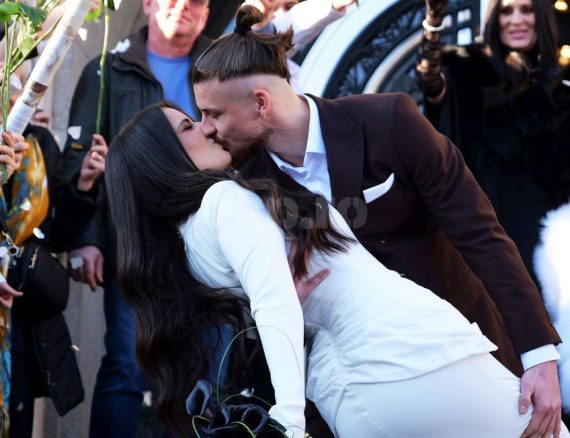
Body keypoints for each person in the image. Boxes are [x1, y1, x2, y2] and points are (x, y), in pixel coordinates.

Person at [190, 4, 565, 437]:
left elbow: (481, 235)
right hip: (353, 391)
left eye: (213, 113)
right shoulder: (245, 186)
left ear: (261, 103)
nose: (206, 128)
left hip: (461, 351)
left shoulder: (389, 120)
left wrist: (539, 355)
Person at [104, 100, 570, 438]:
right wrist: (288, 422)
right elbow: (274, 305)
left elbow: (273, 308)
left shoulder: (190, 249)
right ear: (162, 158)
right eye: (189, 125)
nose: (207, 128)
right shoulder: (224, 200)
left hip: (350, 395)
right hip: (407, 357)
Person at [60, 0, 218, 435]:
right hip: (134, 239)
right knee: (127, 365)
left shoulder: (221, 66)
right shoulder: (106, 69)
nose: (183, 6)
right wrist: (87, 237)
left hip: (208, 236)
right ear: (147, 4)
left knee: (205, 371)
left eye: (197, 1)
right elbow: (81, 160)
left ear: (206, 13)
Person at [416, 0, 570, 287]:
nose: (517, 20)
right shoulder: (465, 68)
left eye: (526, 10)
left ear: (541, 16)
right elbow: (431, 83)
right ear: (493, 18)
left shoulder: (561, 94)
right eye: (506, 11)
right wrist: (433, 23)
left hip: (545, 247)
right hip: (482, 235)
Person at [0, 61, 108, 437]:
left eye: (17, 88)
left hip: (20, 317)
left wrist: (83, 185)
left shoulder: (38, 144)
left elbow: (57, 236)